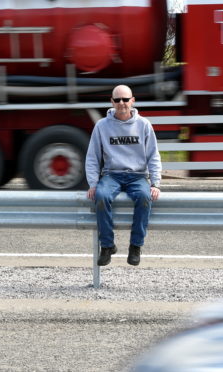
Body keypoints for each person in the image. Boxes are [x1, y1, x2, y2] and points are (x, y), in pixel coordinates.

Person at [85, 85, 162, 267]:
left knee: (144, 197)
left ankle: (135, 246)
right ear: (112, 102)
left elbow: (153, 155)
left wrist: (155, 183)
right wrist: (93, 184)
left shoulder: (144, 125)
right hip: (112, 175)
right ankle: (107, 246)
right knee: (101, 196)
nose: (122, 103)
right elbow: (92, 157)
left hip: (137, 176)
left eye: (125, 99)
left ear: (132, 101)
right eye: (117, 100)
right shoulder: (102, 126)